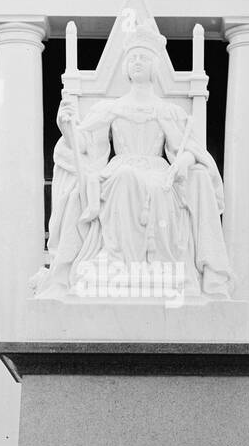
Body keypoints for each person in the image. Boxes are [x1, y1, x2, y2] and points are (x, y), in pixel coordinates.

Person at [30, 33, 235, 301]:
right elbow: (85, 144)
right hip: (121, 169)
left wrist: (181, 165)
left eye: (144, 57)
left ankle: (157, 265)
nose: (137, 62)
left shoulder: (167, 111)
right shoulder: (111, 108)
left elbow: (188, 150)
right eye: (133, 57)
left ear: (154, 66)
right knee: (124, 178)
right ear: (126, 66)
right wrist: (65, 126)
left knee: (165, 183)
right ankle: (117, 261)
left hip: (159, 172)